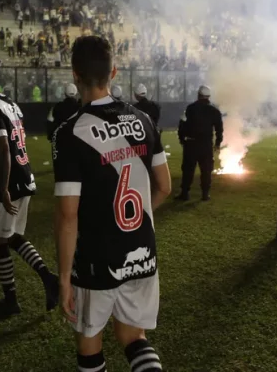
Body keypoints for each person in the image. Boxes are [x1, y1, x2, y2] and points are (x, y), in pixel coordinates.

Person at [53, 36, 172, 372]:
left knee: (90, 342)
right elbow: (164, 186)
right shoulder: (144, 121)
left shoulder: (70, 132)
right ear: (114, 72)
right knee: (134, 336)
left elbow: (67, 215)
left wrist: (63, 277)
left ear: (74, 74)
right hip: (141, 249)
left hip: (95, 257)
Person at [0, 68, 59, 319]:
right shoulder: (11, 104)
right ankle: (47, 279)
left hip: (7, 180)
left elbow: (3, 149)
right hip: (25, 176)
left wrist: (3, 188)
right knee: (12, 236)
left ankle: (13, 299)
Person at [175, 85, 223, 202]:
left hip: (191, 144)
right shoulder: (214, 110)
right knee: (206, 170)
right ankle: (205, 194)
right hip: (206, 145)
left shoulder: (190, 108)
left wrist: (181, 138)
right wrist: (217, 143)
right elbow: (219, 128)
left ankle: (185, 193)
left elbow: (182, 124)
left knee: (188, 170)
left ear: (198, 94)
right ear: (208, 96)